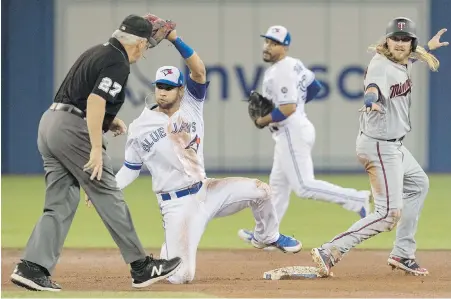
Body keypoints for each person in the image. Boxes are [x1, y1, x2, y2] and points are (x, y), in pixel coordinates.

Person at [112, 27, 302, 284]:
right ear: (154, 88)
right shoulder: (138, 128)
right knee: (182, 277)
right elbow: (130, 168)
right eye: (159, 86)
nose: (163, 91)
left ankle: (267, 237)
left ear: (181, 90)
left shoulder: (192, 104)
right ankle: (170, 252)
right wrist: (107, 188)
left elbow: (198, 70)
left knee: (262, 191)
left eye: (169, 87)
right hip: (175, 204)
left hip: (207, 190)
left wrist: (174, 39)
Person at [10, 14, 182, 292]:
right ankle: (141, 266)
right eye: (147, 45)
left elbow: (78, 96)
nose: (146, 50)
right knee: (108, 193)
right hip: (72, 131)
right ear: (137, 44)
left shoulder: (98, 52)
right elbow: (94, 100)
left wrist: (107, 121)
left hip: (50, 124)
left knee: (60, 201)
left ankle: (32, 267)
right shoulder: (117, 61)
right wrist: (95, 149)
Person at [311, 17, 448, 277]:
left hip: (392, 146)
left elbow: (410, 59)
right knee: (388, 214)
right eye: (394, 38)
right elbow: (372, 86)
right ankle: (330, 250)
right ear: (386, 41)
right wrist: (371, 98)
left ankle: (402, 253)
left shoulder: (402, 61)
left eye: (404, 39)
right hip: (379, 147)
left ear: (411, 43)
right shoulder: (380, 65)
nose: (399, 43)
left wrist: (427, 48)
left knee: (419, 184)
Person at [238, 25, 372, 247]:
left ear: (285, 47)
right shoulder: (294, 64)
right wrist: (298, 107)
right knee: (277, 189)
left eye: (274, 43)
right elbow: (315, 86)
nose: (268, 46)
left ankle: (356, 199)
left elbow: (288, 108)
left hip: (291, 130)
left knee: (304, 186)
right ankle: (266, 236)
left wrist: (261, 121)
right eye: (267, 41)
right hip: (292, 130)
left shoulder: (281, 70)